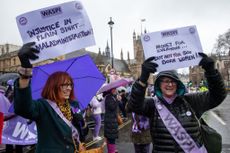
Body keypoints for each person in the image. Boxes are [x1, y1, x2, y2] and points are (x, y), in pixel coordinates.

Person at [126, 53, 227, 153]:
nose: (170, 84)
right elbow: (133, 105)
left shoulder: (191, 100)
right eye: (165, 81)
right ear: (159, 84)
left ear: (178, 84)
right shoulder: (151, 104)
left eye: (173, 81)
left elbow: (218, 96)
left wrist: (211, 73)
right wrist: (142, 80)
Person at [14, 42, 86, 153]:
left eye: (70, 84)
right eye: (64, 85)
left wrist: (82, 124)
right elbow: (23, 108)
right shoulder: (43, 106)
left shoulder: (73, 104)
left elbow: (81, 132)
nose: (69, 88)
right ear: (53, 86)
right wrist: (25, 72)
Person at [103, 88, 121, 153]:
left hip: (111, 120)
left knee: (110, 138)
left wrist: (117, 99)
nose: (115, 90)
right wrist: (117, 100)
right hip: (110, 121)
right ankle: (111, 151)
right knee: (111, 138)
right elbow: (112, 107)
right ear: (111, 90)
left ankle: (112, 150)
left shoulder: (112, 97)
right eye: (114, 89)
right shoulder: (108, 98)